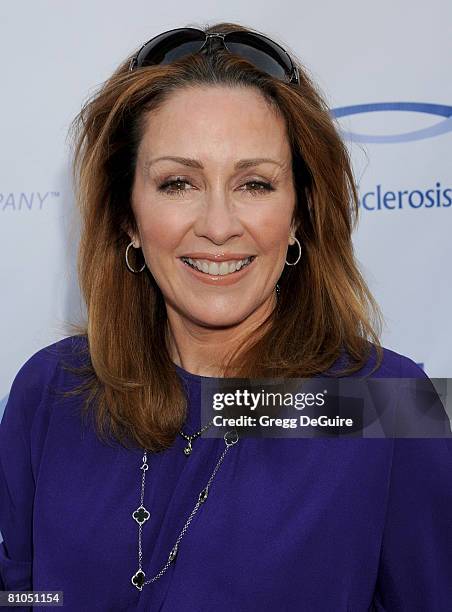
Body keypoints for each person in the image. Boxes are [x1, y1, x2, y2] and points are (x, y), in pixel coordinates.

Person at [1, 21, 451, 612]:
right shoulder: (51, 390)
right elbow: (26, 597)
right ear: (127, 217)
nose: (218, 226)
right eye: (178, 182)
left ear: (300, 215)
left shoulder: (384, 406)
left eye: (255, 184)